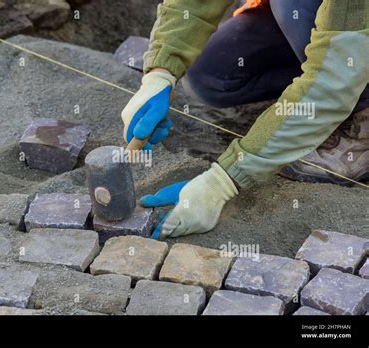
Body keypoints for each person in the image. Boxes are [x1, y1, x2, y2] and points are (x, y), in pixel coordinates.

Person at [121, 0, 368, 238]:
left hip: (354, 24)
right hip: (329, 24)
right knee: (210, 74)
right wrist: (161, 73)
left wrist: (222, 182)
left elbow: (332, 84)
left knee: (294, 6)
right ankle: (315, 72)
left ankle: (361, 119)